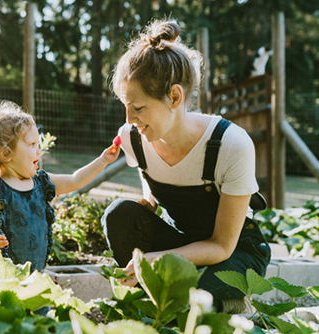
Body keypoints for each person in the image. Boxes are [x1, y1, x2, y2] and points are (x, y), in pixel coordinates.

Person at [101, 19, 271, 313]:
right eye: (125, 105)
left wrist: (162, 260)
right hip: (184, 243)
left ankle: (229, 303)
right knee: (119, 214)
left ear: (175, 96)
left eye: (138, 107)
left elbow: (221, 246)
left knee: (188, 285)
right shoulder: (134, 138)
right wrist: (149, 205)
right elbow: (152, 181)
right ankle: (173, 299)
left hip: (233, 255)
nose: (129, 119)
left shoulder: (231, 144)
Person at [0, 101, 120, 272]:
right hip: (2, 271)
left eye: (38, 145)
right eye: (32, 145)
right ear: (6, 152)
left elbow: (75, 180)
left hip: (36, 270)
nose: (39, 151)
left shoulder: (41, 182)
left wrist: (103, 160)